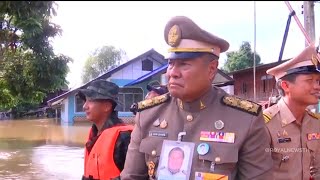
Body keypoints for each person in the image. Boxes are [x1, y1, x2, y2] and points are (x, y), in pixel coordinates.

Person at [121, 16, 273, 180]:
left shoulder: (244, 120)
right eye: (171, 63)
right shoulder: (148, 115)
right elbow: (131, 176)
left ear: (211, 69)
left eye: (184, 64)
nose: (172, 72)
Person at [263, 44, 320, 180]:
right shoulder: (264, 124)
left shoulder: (315, 122)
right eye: (309, 80)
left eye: (318, 81)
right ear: (286, 86)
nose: (317, 87)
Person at [78, 79, 134, 180]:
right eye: (85, 100)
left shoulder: (124, 138)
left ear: (107, 106)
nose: (84, 106)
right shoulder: (94, 134)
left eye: (90, 100)